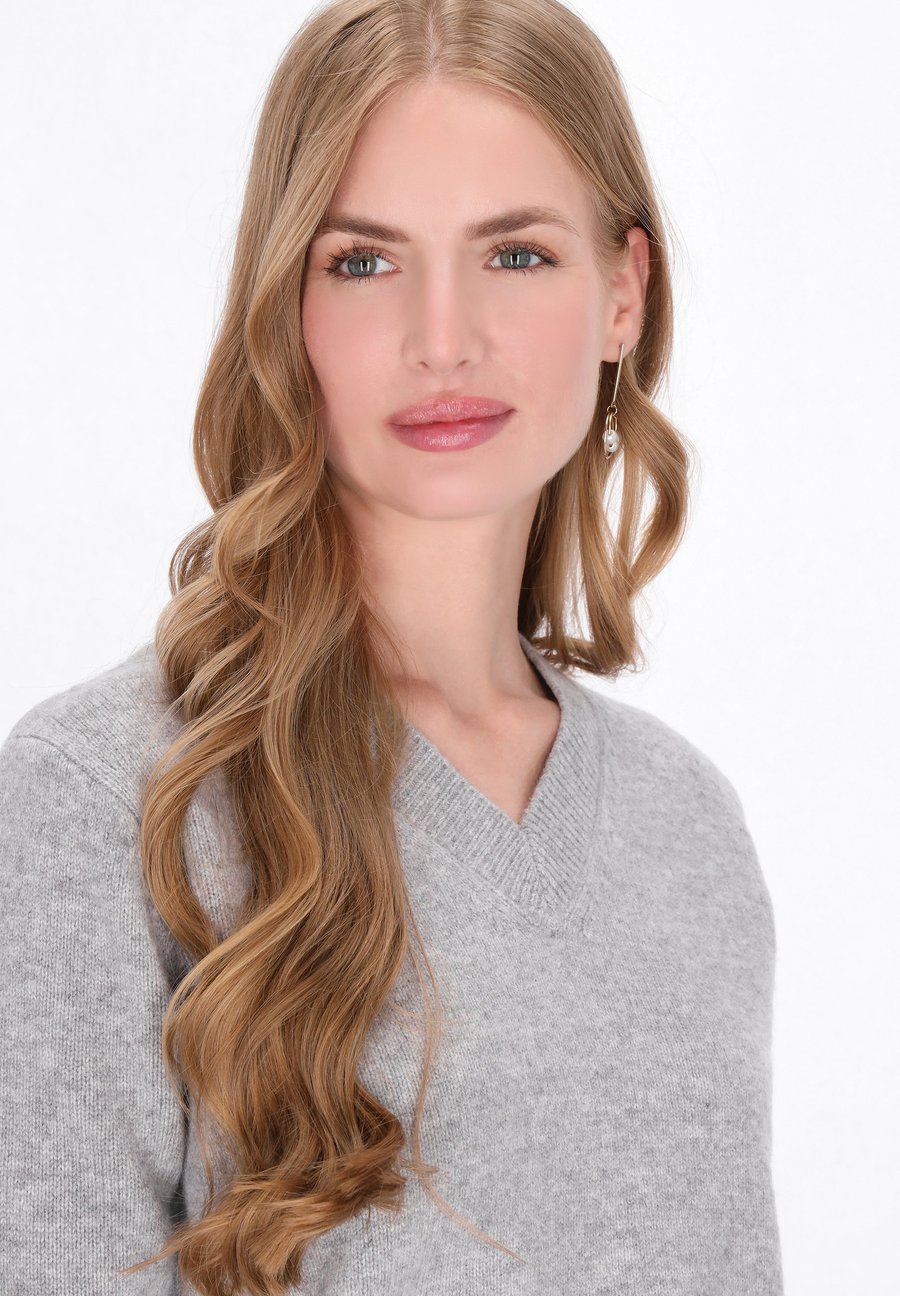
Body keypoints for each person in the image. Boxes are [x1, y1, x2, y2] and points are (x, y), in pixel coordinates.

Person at [0, 0, 783, 1292]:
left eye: (516, 254)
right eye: (364, 262)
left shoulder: (688, 825)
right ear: (288, 307)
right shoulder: (105, 800)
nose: (443, 338)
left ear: (622, 295)